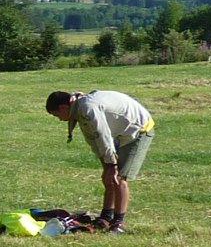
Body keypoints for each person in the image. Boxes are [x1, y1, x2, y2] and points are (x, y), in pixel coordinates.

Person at [46, 89, 155, 232]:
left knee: (120, 179)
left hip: (138, 130)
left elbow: (103, 135)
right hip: (120, 133)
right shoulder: (78, 110)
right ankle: (106, 217)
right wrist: (106, 166)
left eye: (57, 115)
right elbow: (94, 140)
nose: (59, 119)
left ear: (63, 107)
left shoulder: (87, 108)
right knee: (108, 177)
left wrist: (111, 165)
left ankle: (118, 222)